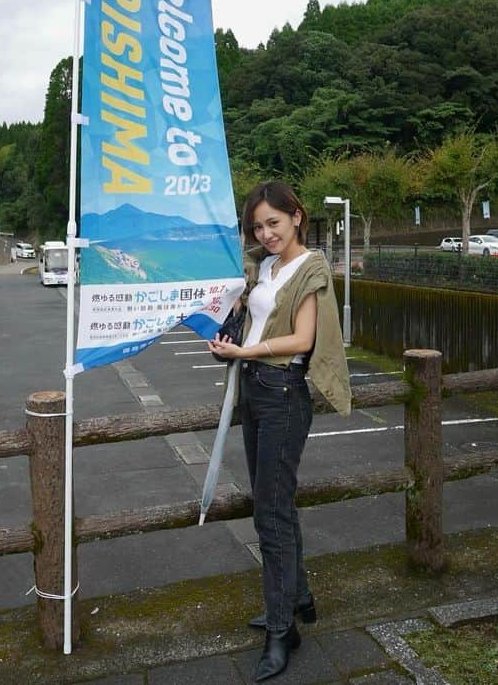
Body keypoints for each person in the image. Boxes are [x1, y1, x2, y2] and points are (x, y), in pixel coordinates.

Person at [208, 180, 351, 682]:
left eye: (274, 222)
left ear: (296, 215)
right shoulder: (262, 268)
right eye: (258, 226)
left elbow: (302, 338)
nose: (266, 233)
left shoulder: (310, 267)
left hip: (286, 391)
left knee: (270, 513)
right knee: (274, 503)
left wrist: (243, 353)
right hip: (256, 390)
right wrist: (230, 339)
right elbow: (253, 322)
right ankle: (298, 598)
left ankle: (280, 629)